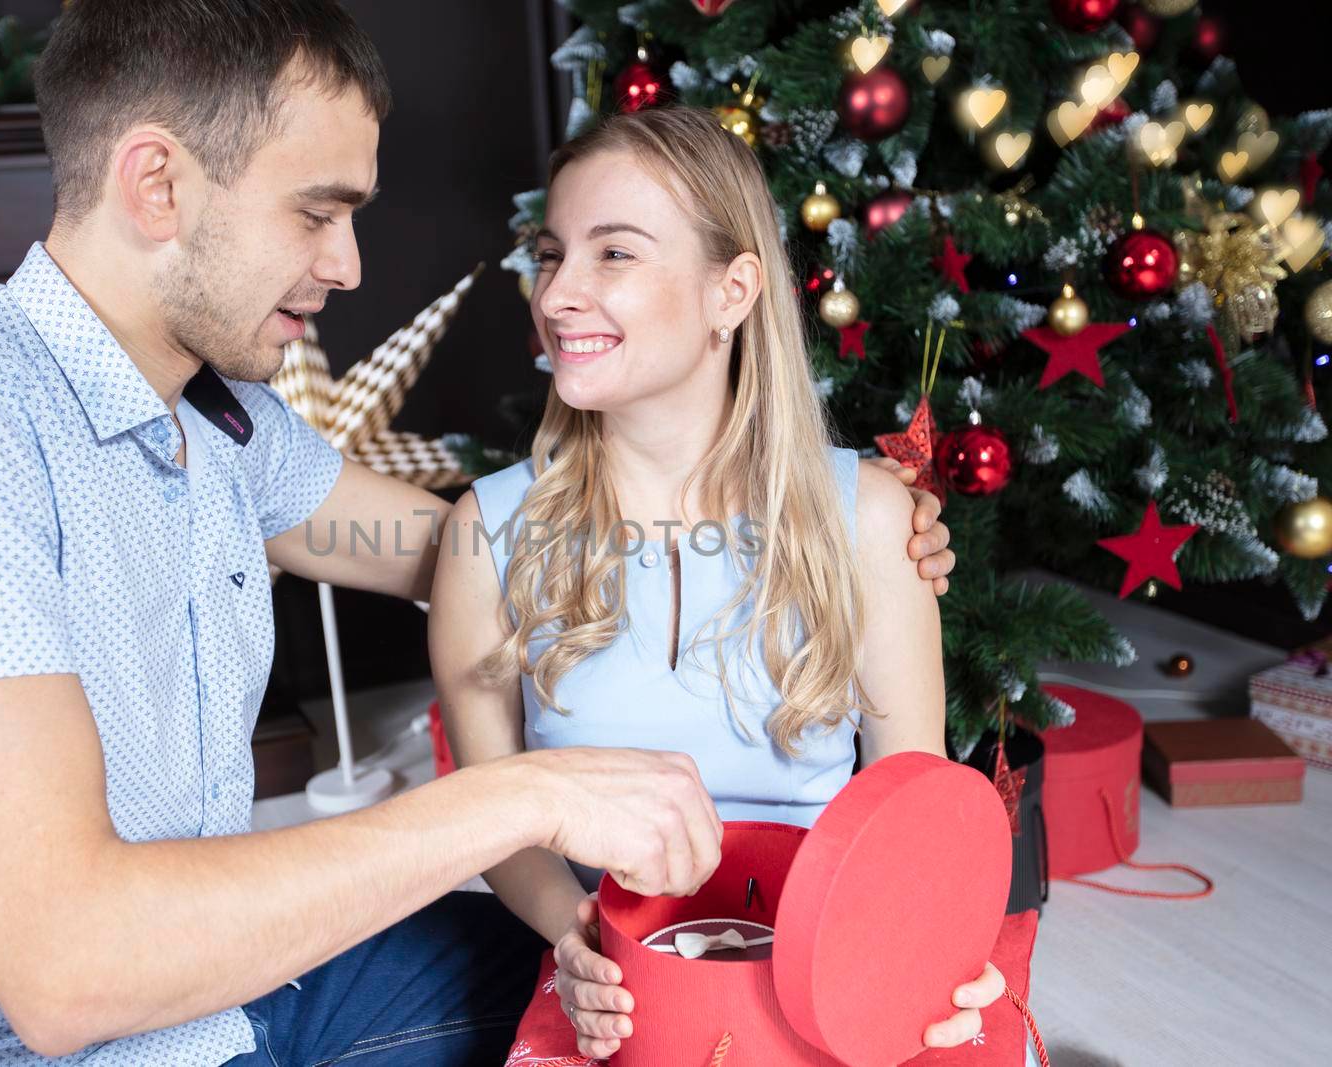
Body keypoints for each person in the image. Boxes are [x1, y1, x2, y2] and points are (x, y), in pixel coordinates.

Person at [0, 3, 956, 1065]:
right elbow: (66, 972)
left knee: (645, 991)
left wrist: (828, 534)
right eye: (317, 211)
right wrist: (518, 794)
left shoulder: (217, 422)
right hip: (60, 1040)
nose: (348, 264)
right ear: (158, 185)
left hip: (218, 1008)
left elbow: (477, 549)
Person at [430, 106, 1004, 1064]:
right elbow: (493, 816)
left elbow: (916, 802)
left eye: (614, 254)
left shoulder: (866, 515)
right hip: (613, 979)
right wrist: (574, 931)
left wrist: (925, 955)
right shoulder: (482, 534)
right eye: (551, 252)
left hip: (830, 960)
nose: (559, 293)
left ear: (731, 291)